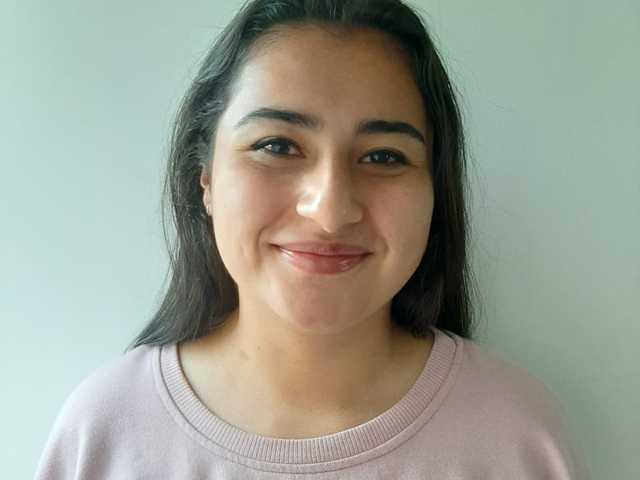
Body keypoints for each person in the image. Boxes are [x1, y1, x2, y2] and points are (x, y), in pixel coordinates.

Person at [34, 0, 586, 478]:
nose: (329, 211)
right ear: (205, 179)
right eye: (277, 146)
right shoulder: (103, 434)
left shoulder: (516, 437)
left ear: (435, 192)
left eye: (383, 156)